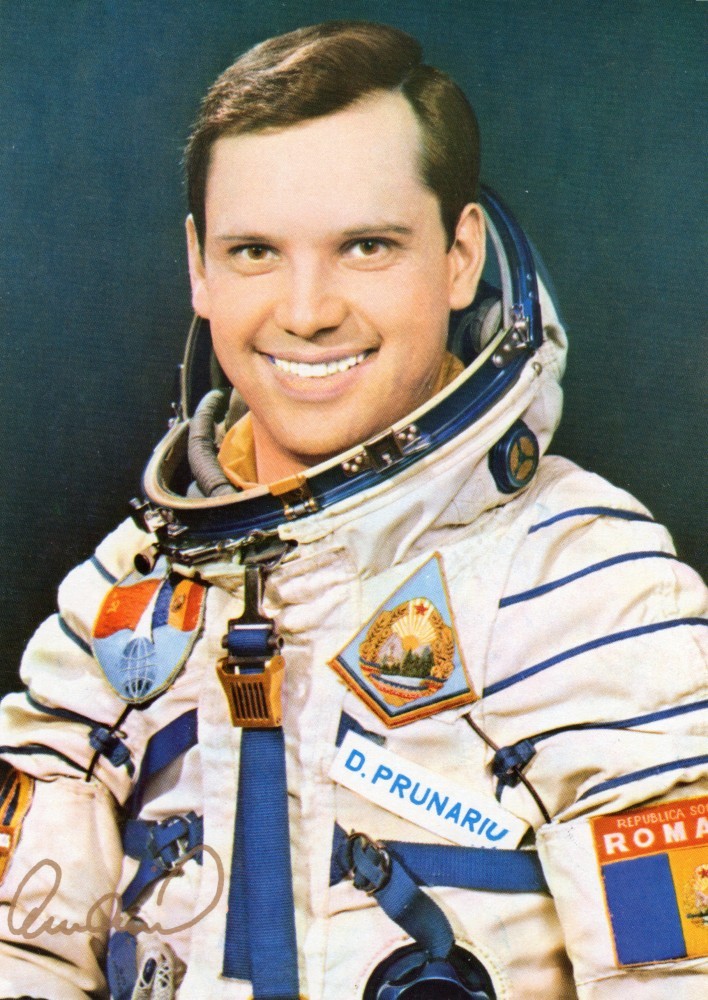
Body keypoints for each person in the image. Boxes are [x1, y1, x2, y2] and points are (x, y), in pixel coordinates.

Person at [0, 20, 705, 1000]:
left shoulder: (594, 596)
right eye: (255, 251)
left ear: (460, 257)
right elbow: (21, 955)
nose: (306, 310)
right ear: (199, 267)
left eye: (366, 246)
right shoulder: (122, 604)